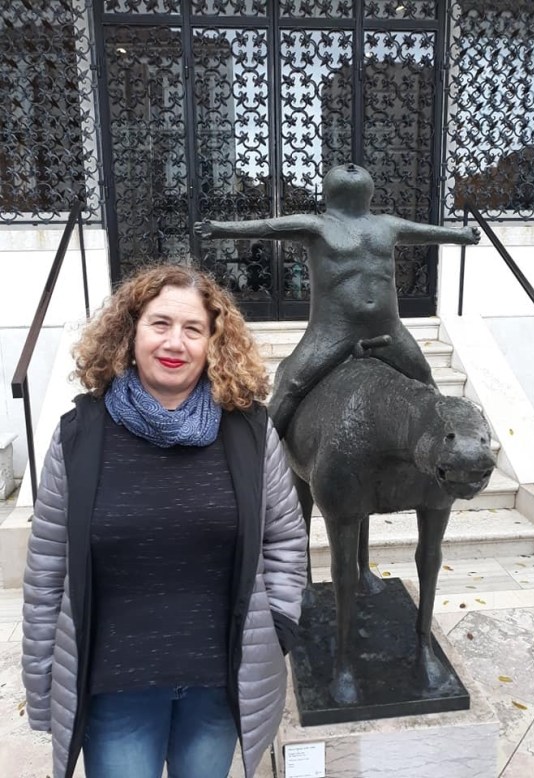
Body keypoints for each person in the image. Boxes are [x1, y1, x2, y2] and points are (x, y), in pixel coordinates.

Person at [21, 265, 307, 778]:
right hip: (116, 691)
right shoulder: (80, 436)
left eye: (193, 329)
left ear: (212, 343)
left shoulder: (249, 432)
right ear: (129, 333)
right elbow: (47, 572)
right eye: (160, 324)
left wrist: (278, 628)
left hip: (217, 687)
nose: (175, 342)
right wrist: (42, 679)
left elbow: (284, 538)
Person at [195, 162, 481, 436]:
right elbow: (267, 227)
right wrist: (219, 229)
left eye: (357, 169)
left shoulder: (388, 225)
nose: (352, 167)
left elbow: (426, 233)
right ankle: (259, 455)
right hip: (332, 330)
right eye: (344, 170)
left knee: (424, 374)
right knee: (292, 385)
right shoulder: (317, 226)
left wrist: (462, 235)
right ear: (329, 192)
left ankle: (449, 436)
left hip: (388, 328)